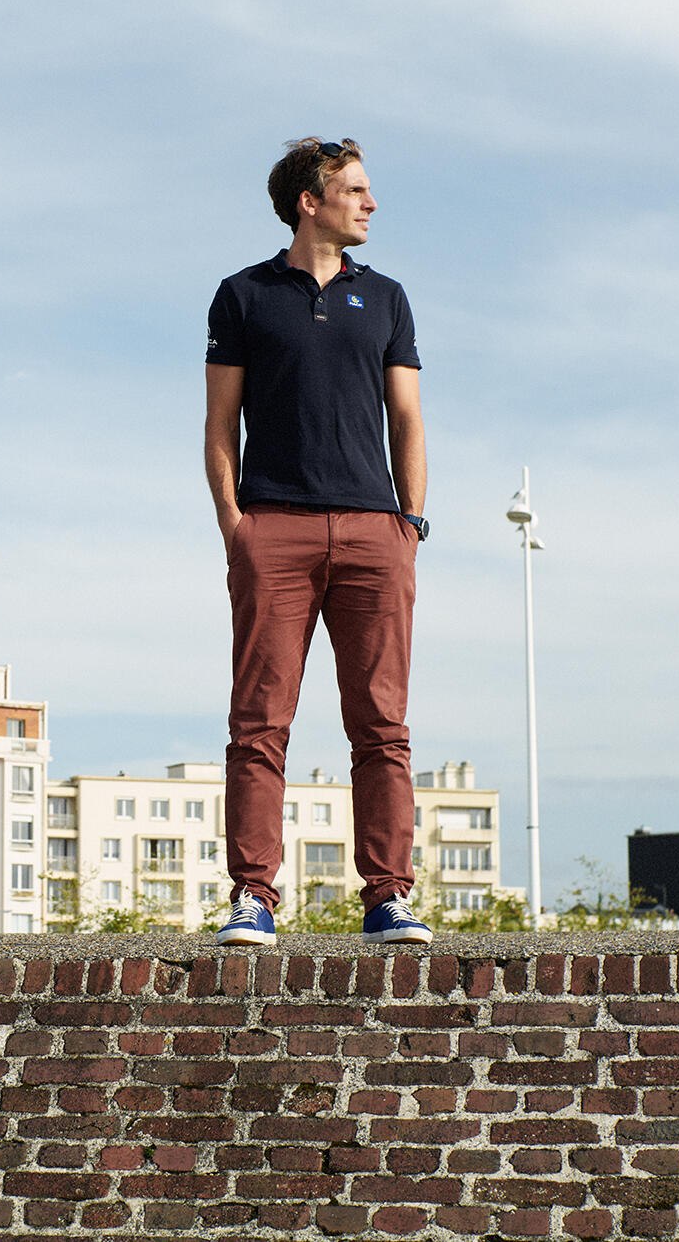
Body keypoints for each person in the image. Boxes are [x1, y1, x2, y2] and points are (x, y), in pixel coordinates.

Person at [203, 137, 431, 947]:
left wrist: (409, 523)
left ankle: (388, 898)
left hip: (375, 531)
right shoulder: (243, 296)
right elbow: (220, 424)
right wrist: (236, 526)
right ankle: (253, 897)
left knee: (382, 725)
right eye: (356, 190)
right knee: (258, 724)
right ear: (311, 200)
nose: (371, 203)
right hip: (274, 530)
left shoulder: (389, 298)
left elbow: (406, 418)